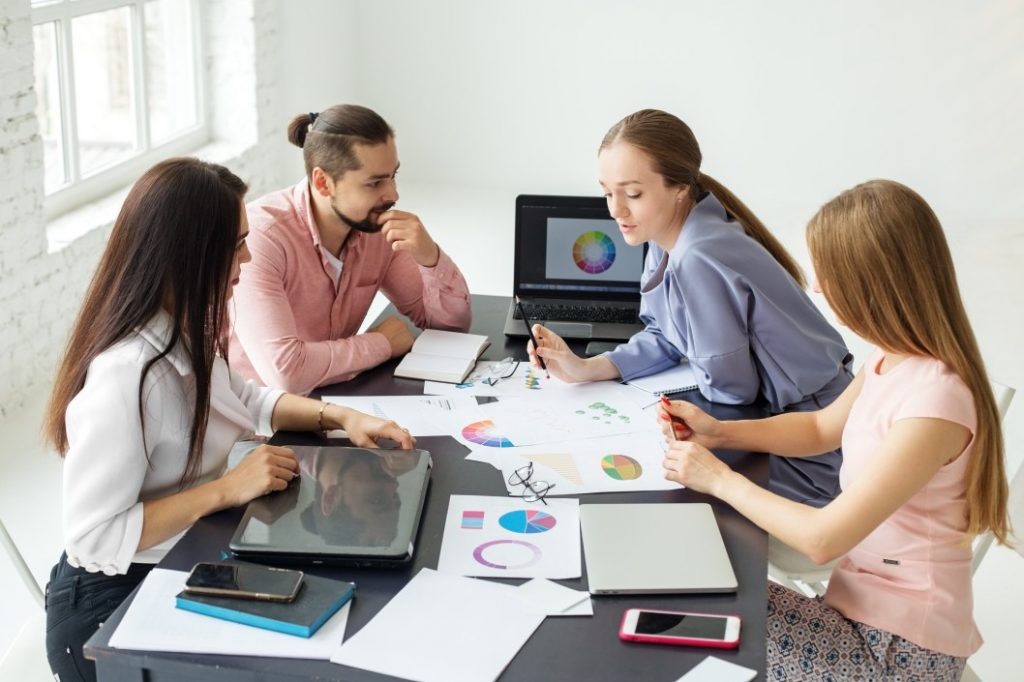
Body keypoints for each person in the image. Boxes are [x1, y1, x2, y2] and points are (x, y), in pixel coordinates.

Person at [42, 158, 416, 682]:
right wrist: (228, 488)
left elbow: (247, 398)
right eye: (236, 243)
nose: (247, 255)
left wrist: (340, 416)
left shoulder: (182, 326)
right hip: (108, 602)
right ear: (190, 254)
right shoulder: (126, 376)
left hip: (186, 552)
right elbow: (94, 537)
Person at [658, 180, 1010, 680]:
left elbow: (823, 539)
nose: (819, 288)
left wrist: (717, 478)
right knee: (695, 584)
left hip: (896, 652)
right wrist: (719, 433)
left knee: (694, 597)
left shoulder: (937, 401)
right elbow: (823, 427)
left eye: (829, 274)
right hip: (858, 610)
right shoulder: (894, 358)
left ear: (872, 283)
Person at [529, 109, 852, 506]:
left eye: (632, 194)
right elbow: (668, 334)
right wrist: (589, 368)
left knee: (640, 483)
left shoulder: (699, 254)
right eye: (607, 192)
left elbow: (732, 392)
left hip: (811, 447)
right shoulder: (665, 231)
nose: (615, 210)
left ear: (679, 187)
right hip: (783, 422)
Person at [228, 104, 472, 395]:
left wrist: (430, 257)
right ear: (323, 182)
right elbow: (287, 375)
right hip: (256, 427)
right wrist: (382, 343)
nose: (393, 194)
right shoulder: (262, 238)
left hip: (333, 406)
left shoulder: (375, 230)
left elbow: (452, 330)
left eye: (393, 175)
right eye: (375, 183)